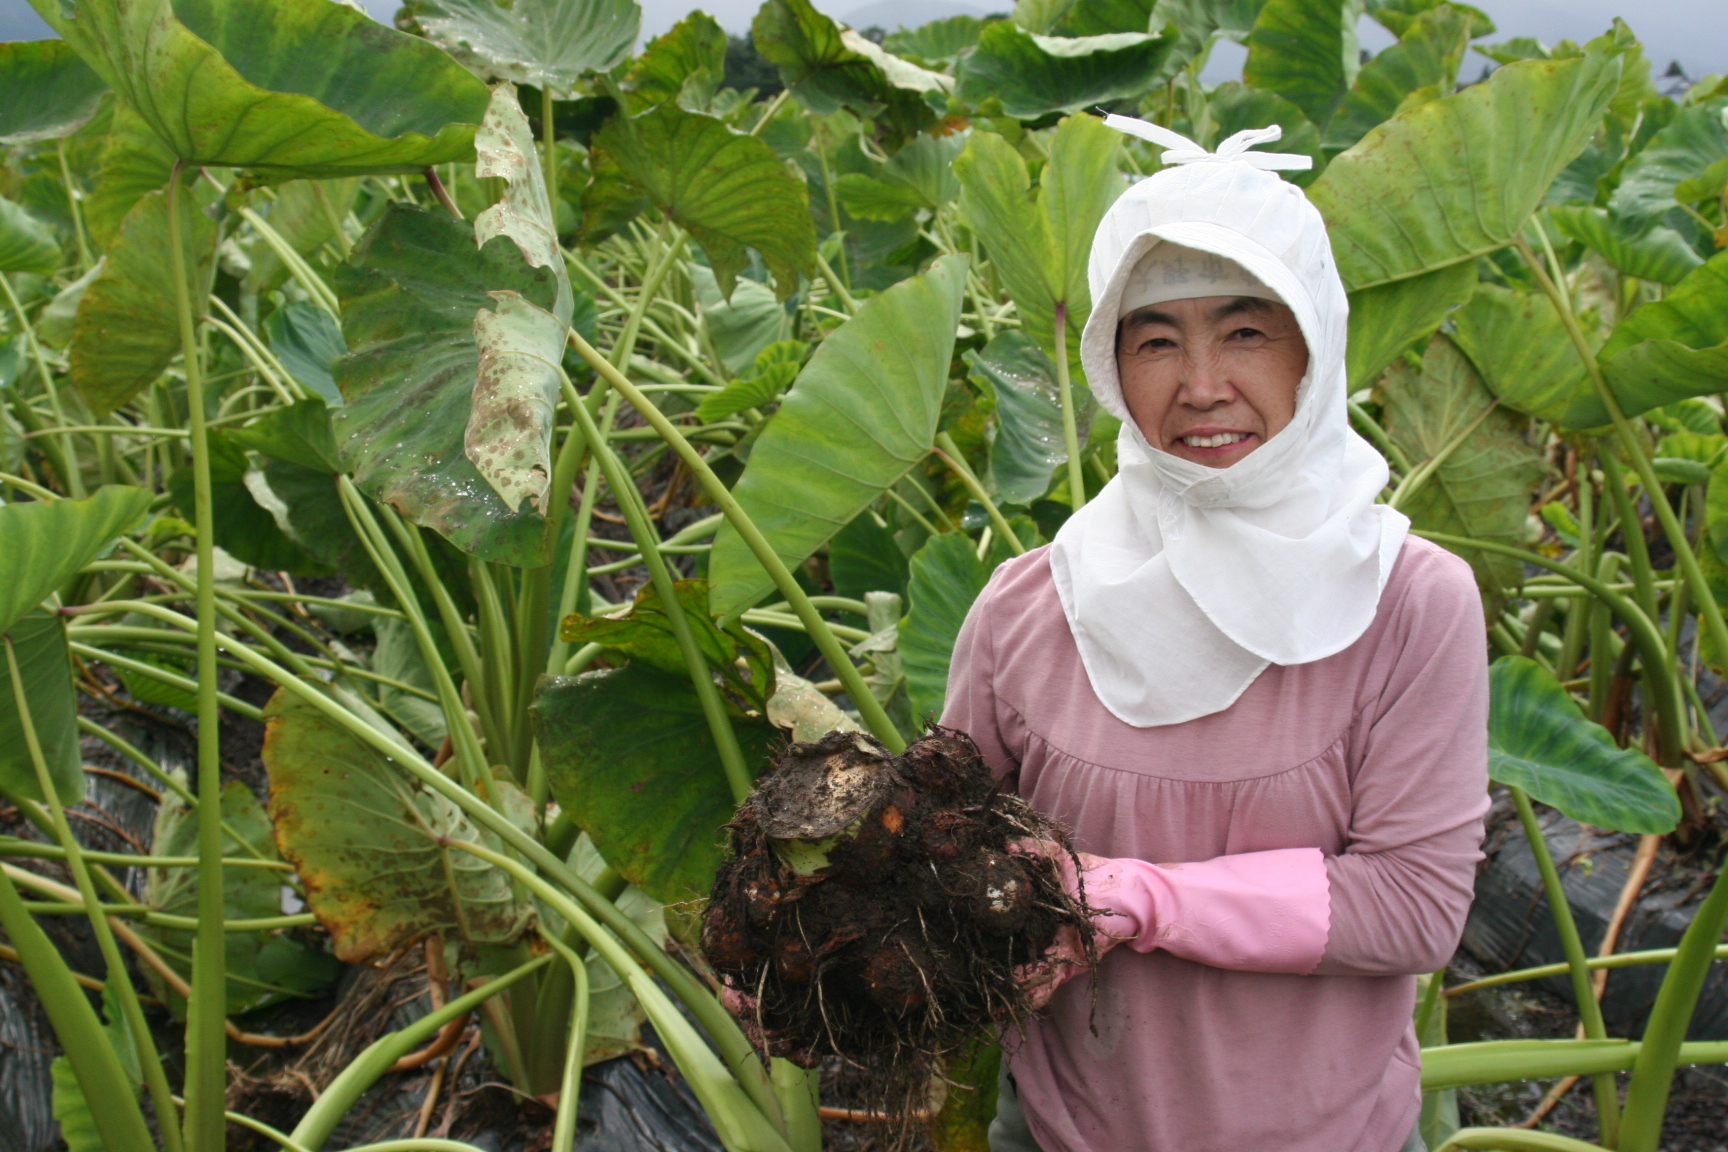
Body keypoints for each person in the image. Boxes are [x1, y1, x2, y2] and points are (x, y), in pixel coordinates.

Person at [939, 118, 1490, 1152]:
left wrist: (1130, 898)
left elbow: (1414, 908)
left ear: (1314, 345)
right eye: (1155, 340)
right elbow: (947, 848)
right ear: (1110, 365)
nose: (1200, 386)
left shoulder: (1411, 602)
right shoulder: (1028, 605)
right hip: (1060, 1135)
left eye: (1244, 331)